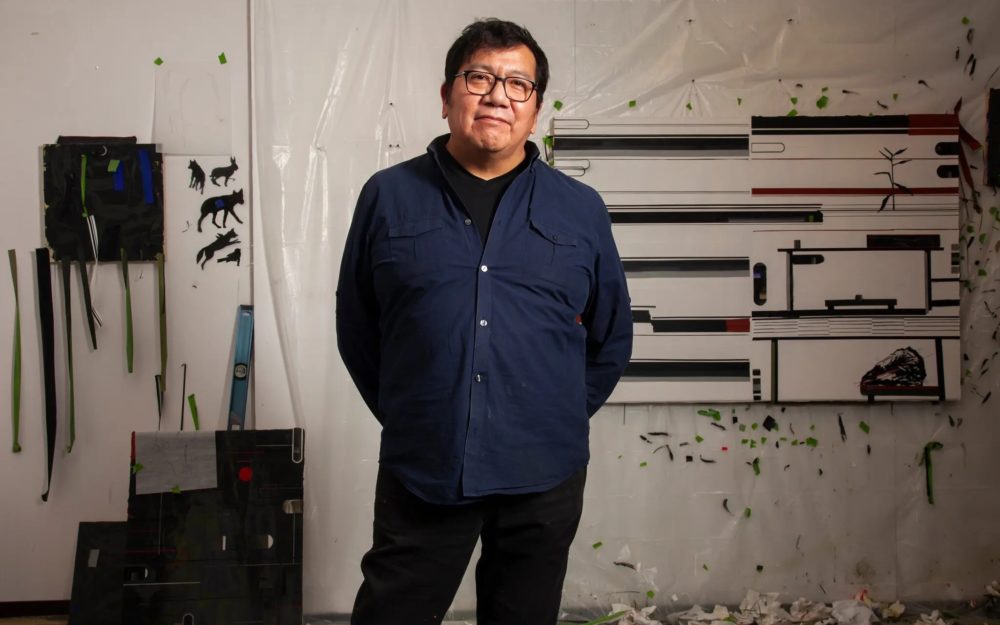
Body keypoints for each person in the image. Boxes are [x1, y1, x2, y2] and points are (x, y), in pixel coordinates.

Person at [336, 17, 633, 625]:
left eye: (518, 84)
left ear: (536, 109)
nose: (498, 95)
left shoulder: (580, 209)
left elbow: (611, 335)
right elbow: (357, 327)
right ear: (447, 96)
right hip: (426, 466)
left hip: (543, 476)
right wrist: (416, 411)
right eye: (480, 78)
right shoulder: (388, 196)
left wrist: (555, 413)